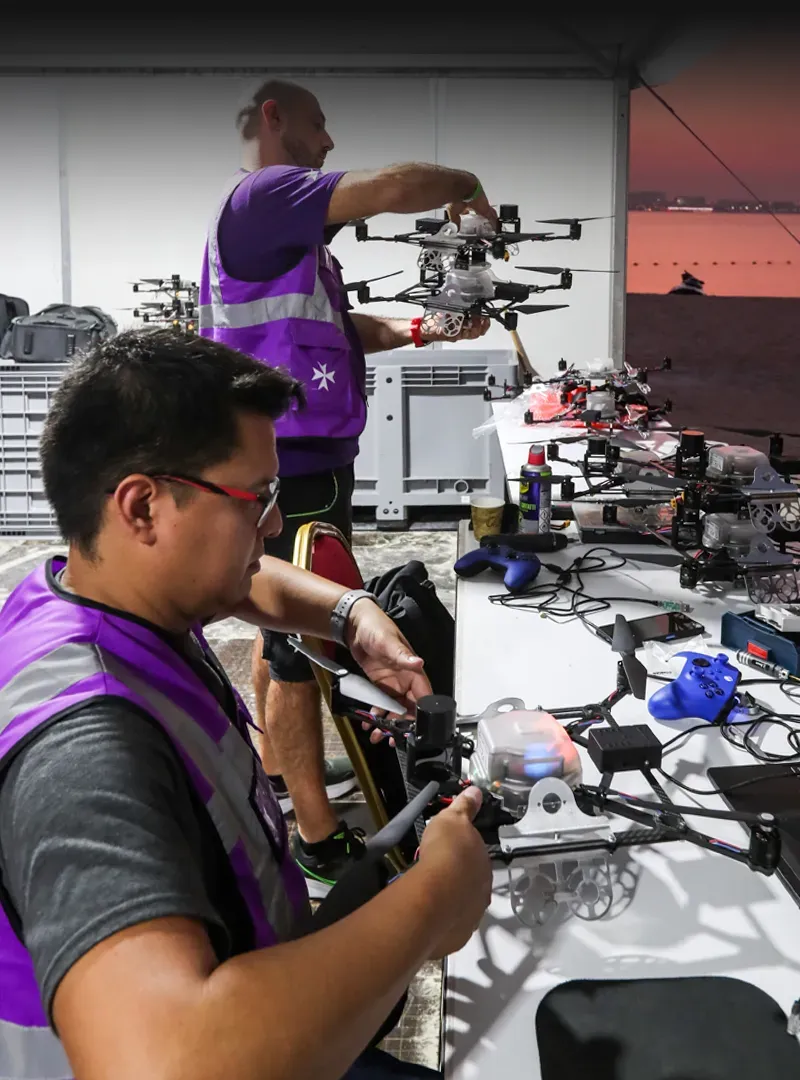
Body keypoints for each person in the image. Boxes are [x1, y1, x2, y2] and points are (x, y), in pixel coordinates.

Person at [0, 329, 493, 1080]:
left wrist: (351, 618)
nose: (271, 524)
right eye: (256, 497)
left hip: (248, 983)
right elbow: (163, 1065)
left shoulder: (85, 584)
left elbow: (248, 579)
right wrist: (433, 905)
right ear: (142, 507)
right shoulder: (85, 753)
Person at [199, 77, 495, 895]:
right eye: (320, 123)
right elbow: (397, 188)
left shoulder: (293, 247)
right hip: (291, 457)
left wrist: (425, 326)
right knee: (309, 649)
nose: (328, 142)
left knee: (279, 625)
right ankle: (320, 843)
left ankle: (281, 777)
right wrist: (467, 187)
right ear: (274, 117)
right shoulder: (266, 196)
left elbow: (343, 331)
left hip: (301, 454)